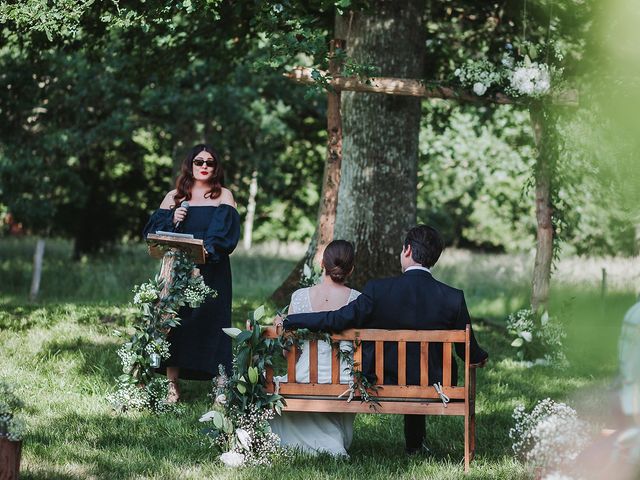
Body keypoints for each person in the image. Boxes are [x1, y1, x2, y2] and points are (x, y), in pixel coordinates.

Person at [278, 225, 489, 454]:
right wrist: (480, 357)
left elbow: (339, 319)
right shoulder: (453, 298)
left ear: (407, 250)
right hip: (436, 384)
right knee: (417, 369)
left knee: (405, 369)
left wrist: (292, 320)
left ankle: (415, 444)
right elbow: (469, 353)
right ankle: (414, 446)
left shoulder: (379, 290)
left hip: (384, 379)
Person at [143, 144, 240, 402]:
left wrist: (203, 257)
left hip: (213, 271)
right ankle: (172, 386)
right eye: (199, 161)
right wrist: (174, 219)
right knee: (175, 323)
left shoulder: (223, 196)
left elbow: (224, 236)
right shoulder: (174, 196)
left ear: (216, 167)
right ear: (190, 164)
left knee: (214, 322)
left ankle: (220, 385)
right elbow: (154, 234)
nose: (205, 166)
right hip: (177, 272)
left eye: (210, 162)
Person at [270, 240, 360, 456]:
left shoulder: (299, 297)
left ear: (322, 263)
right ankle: (332, 440)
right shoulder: (358, 299)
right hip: (346, 379)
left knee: (282, 381)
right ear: (351, 269)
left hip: (302, 376)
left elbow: (288, 351)